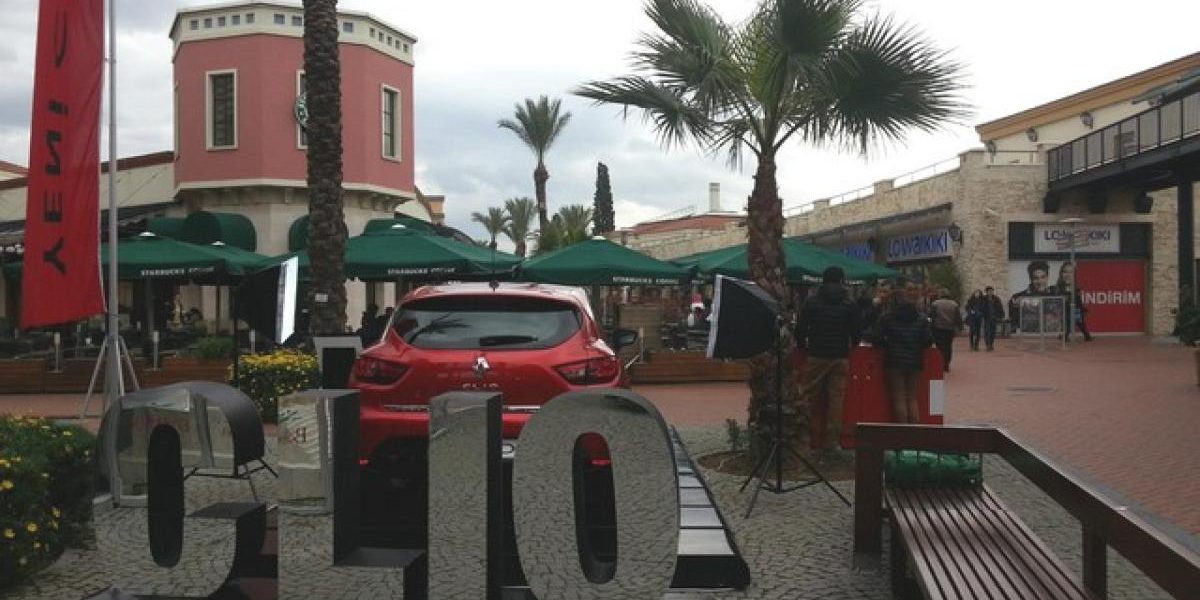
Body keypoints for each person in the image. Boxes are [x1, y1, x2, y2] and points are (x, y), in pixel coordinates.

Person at [795, 266, 859, 455]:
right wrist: (851, 345)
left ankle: (804, 439)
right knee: (836, 401)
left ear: (823, 280)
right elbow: (856, 331)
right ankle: (832, 443)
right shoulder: (849, 303)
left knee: (807, 397)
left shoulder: (812, 302)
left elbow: (800, 328)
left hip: (816, 354)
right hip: (840, 356)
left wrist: (802, 345)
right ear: (841, 280)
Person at [873, 298, 932, 424]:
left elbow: (876, 337)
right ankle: (914, 428)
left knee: (899, 397)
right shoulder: (922, 319)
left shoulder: (888, 318)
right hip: (915, 361)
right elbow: (928, 340)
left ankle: (902, 427)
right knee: (912, 397)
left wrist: (887, 345)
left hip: (894, 361)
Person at [929, 289, 962, 372]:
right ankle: (946, 363)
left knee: (939, 346)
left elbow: (931, 316)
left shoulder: (935, 304)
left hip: (938, 328)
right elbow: (958, 317)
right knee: (948, 346)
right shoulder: (954, 304)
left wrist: (930, 326)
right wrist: (959, 327)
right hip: (949, 328)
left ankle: (940, 362)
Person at [981, 286, 1006, 351]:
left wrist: (1002, 316)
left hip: (994, 317)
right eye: (989, 291)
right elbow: (981, 307)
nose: (990, 292)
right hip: (986, 317)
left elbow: (1000, 307)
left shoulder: (996, 298)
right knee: (987, 331)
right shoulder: (983, 299)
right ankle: (988, 345)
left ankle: (991, 344)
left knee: (993, 332)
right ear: (986, 292)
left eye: (991, 291)